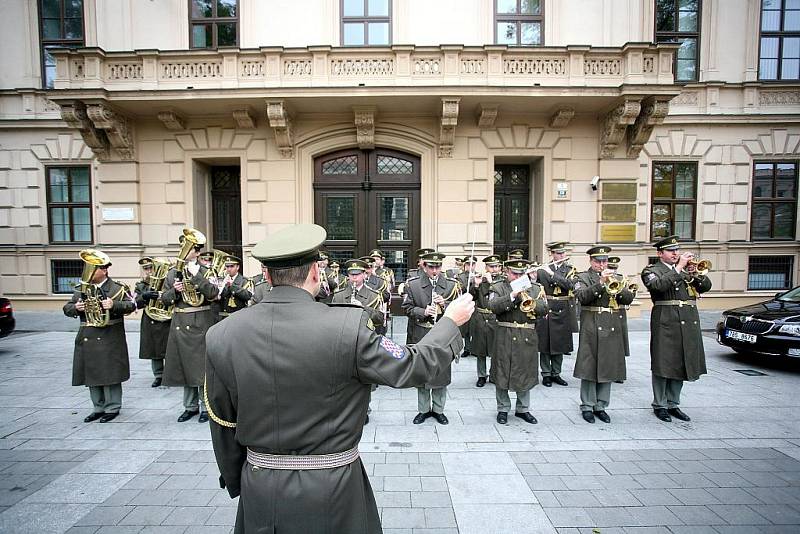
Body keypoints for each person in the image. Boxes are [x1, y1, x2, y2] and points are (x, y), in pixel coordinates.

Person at [204, 224, 474, 534]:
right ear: (316, 274)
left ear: (266, 276)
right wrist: (451, 322)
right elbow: (412, 366)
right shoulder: (347, 326)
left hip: (260, 482)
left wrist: (242, 479)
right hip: (334, 485)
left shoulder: (221, 335)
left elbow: (222, 422)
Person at [641, 235, 712, 422]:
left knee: (682, 361)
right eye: (671, 251)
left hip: (687, 321)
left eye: (676, 250)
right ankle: (660, 404)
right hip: (666, 321)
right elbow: (658, 286)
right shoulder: (651, 270)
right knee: (663, 362)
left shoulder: (686, 271)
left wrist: (695, 273)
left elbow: (706, 287)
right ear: (660, 253)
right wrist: (679, 268)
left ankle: (673, 403)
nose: (675, 254)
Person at [63, 250, 135, 423]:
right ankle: (97, 407)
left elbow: (131, 305)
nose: (90, 271)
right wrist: (76, 308)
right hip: (88, 335)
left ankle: (112, 407)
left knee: (110, 373)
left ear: (104, 270)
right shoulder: (82, 289)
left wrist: (114, 304)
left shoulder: (118, 288)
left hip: (109, 335)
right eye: (89, 268)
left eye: (94, 268)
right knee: (91, 373)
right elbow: (67, 307)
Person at [160, 231, 220, 423]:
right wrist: (174, 291)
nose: (184, 252)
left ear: (196, 252)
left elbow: (212, 293)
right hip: (180, 322)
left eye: (189, 248)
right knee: (184, 367)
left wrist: (196, 277)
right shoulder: (172, 273)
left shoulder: (206, 271)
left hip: (201, 321)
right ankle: (189, 406)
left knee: (201, 368)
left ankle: (205, 407)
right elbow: (164, 299)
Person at [573, 246, 634, 423]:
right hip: (591, 323)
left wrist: (615, 283)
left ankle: (601, 405)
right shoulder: (582, 277)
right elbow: (582, 297)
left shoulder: (618, 277)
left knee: (608, 364)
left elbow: (628, 299)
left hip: (612, 324)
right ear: (591, 261)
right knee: (589, 364)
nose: (601, 264)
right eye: (598, 261)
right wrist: (600, 282)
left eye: (604, 261)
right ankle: (587, 405)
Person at [402, 251, 460, 425]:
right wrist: (423, 312)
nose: (435, 271)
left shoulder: (451, 285)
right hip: (421, 334)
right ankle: (423, 410)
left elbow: (460, 307)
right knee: (422, 373)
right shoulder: (412, 285)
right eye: (431, 267)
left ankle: (439, 410)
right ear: (424, 267)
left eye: (438, 267)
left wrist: (445, 304)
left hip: (443, 334)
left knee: (441, 373)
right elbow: (407, 308)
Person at [488, 258, 548, 424]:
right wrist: (512, 296)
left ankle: (523, 409)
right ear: (507, 272)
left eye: (522, 273)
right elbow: (492, 306)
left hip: (527, 335)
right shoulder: (498, 287)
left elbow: (544, 309)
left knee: (525, 372)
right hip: (504, 334)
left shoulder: (535, 288)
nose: (518, 276)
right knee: (502, 372)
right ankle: (503, 408)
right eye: (515, 273)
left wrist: (531, 302)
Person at [536, 242, 578, 387]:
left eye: (563, 253)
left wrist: (552, 274)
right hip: (547, 307)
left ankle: (556, 373)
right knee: (545, 343)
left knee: (559, 343)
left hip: (562, 308)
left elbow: (569, 285)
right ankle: (546, 374)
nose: (562, 256)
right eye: (558, 253)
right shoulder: (542, 270)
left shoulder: (570, 269)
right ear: (552, 254)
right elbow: (535, 286)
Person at [135, 257, 171, 387]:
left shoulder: (166, 281)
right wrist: (144, 296)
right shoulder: (141, 285)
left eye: (151, 268)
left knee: (168, 347)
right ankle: (158, 375)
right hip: (150, 319)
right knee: (154, 349)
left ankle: (170, 374)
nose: (149, 271)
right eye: (146, 269)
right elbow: (135, 304)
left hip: (166, 318)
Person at [471, 255, 502, 387]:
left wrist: (491, 283)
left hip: (496, 318)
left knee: (496, 349)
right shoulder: (480, 280)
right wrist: (476, 285)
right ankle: (481, 375)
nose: (494, 269)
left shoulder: (503, 281)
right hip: (481, 318)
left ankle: (494, 374)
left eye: (496, 266)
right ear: (486, 268)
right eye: (491, 267)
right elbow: (471, 297)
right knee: (481, 349)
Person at [455, 256, 478, 358]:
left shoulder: (478, 275)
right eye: (468, 264)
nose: (471, 266)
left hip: (477, 304)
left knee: (476, 328)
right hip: (466, 303)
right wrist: (471, 281)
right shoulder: (461, 276)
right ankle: (467, 348)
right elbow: (462, 289)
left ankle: (475, 348)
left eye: (473, 264)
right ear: (465, 265)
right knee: (467, 329)